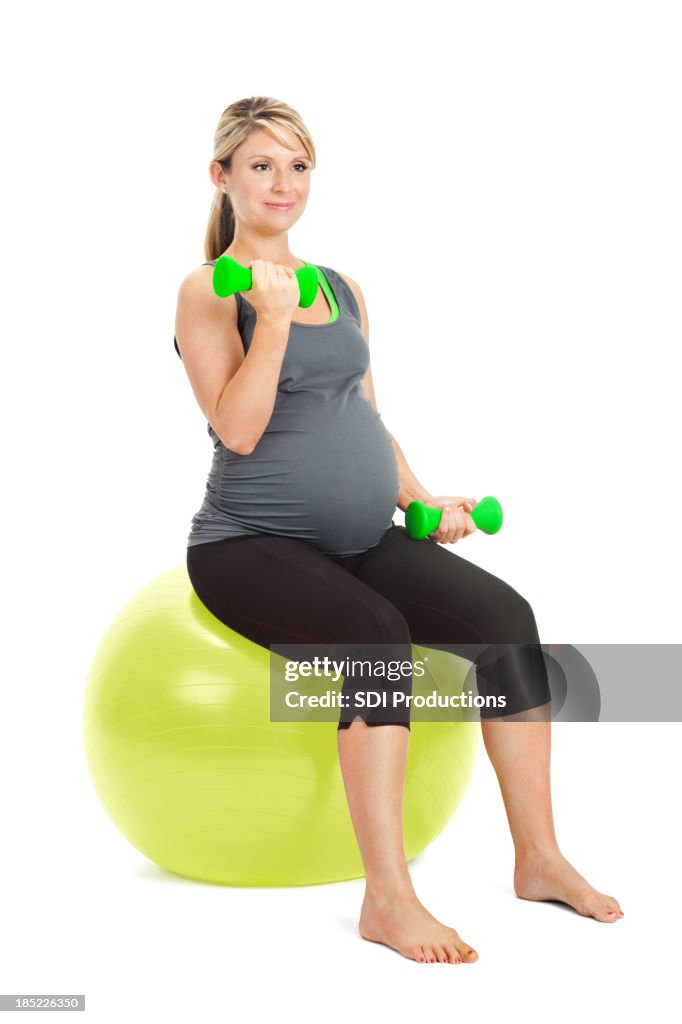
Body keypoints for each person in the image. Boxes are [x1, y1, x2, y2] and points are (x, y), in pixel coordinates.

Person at [174, 96, 623, 965]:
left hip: (359, 539)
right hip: (246, 548)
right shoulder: (207, 293)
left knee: (508, 621)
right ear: (221, 177)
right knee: (378, 642)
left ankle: (539, 857)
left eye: (298, 166)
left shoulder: (340, 288)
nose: (283, 184)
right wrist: (267, 324)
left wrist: (417, 500)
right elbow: (237, 427)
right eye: (261, 165)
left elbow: (365, 416)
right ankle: (388, 899)